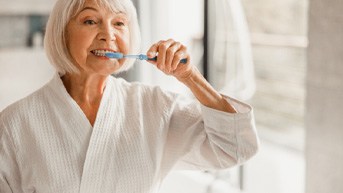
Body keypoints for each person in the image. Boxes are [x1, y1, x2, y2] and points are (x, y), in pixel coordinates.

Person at [0, 0, 259, 192]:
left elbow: (235, 148)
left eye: (119, 23)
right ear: (62, 32)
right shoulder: (14, 123)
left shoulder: (156, 107)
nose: (108, 35)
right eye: (90, 21)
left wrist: (190, 76)